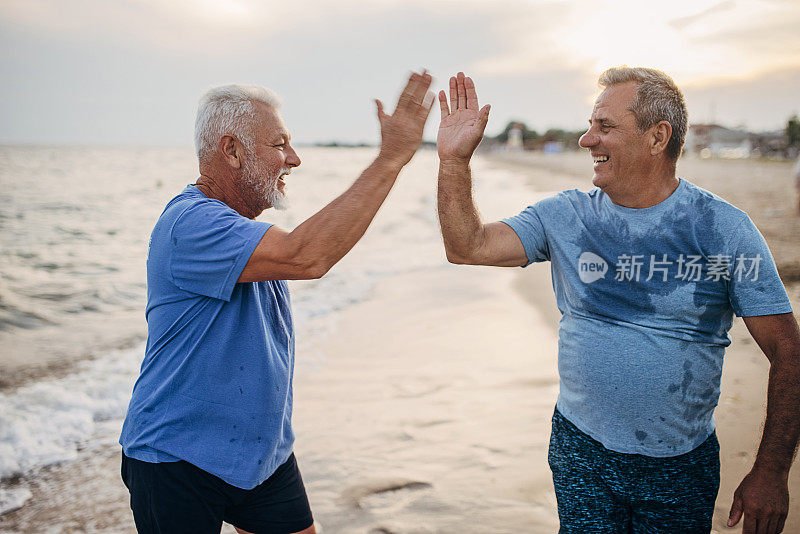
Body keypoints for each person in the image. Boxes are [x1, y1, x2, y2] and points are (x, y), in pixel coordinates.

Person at [436, 68, 800, 533]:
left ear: (657, 137)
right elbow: (467, 247)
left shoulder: (722, 229)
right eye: (590, 125)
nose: (587, 140)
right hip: (580, 450)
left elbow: (788, 351)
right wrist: (452, 162)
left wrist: (771, 471)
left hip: (679, 465)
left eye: (605, 127)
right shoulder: (564, 216)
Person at [119, 71, 434, 534]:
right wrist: (390, 160)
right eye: (280, 144)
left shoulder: (243, 227)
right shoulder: (191, 223)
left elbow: (305, 250)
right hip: (176, 458)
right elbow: (308, 256)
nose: (295, 159)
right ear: (231, 150)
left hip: (261, 456)